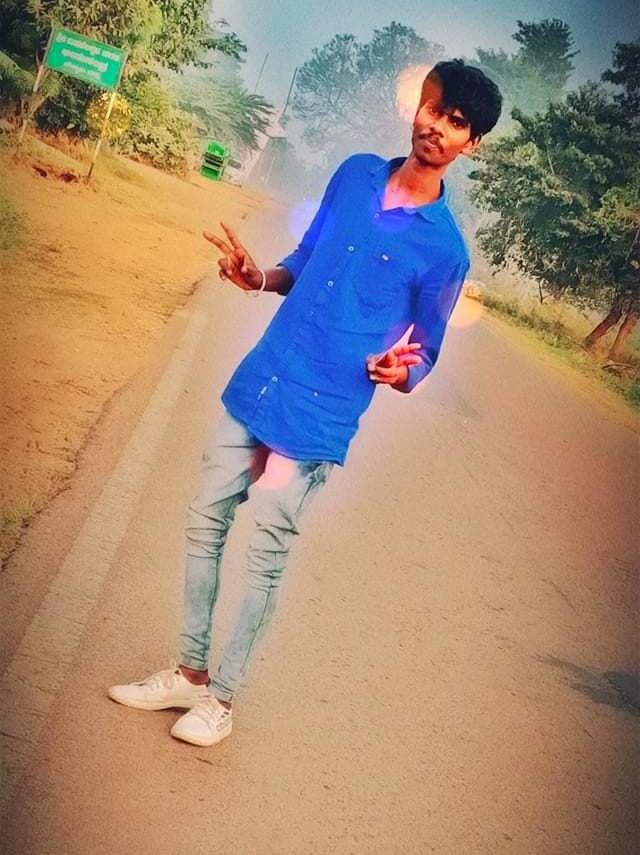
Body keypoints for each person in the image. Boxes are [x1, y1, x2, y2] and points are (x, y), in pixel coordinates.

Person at [108, 59, 502, 747]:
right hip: (263, 379)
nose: (436, 126)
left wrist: (397, 371)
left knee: (265, 554)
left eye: (456, 122)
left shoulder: (445, 250)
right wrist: (259, 277)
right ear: (417, 107)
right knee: (204, 522)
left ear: (472, 143)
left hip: (321, 414)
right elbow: (306, 256)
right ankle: (190, 673)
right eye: (433, 108)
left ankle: (222, 700)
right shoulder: (354, 174)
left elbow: (425, 352)